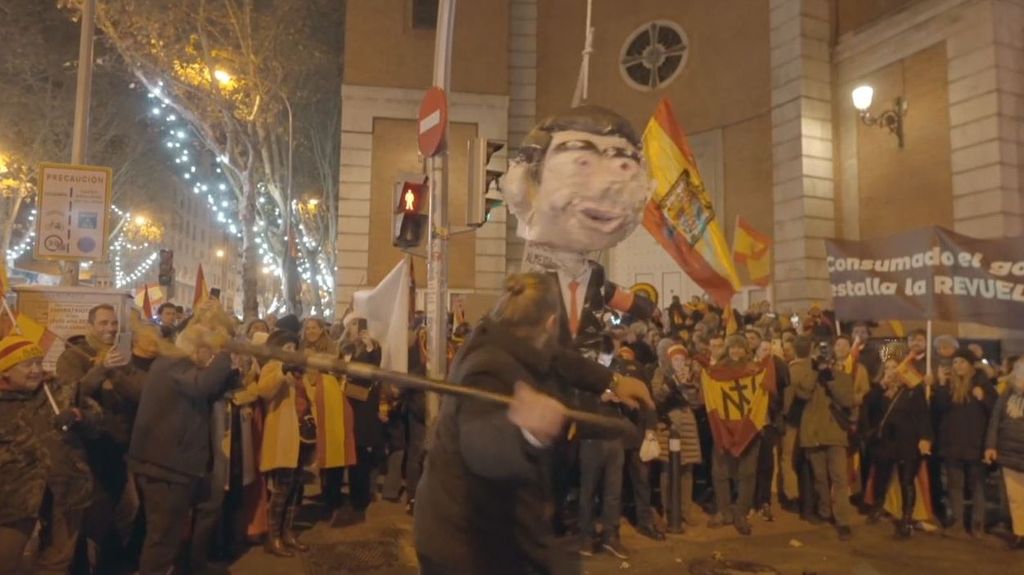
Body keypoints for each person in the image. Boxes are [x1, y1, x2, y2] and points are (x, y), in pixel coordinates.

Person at [415, 273, 578, 575]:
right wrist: (528, 432)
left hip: (467, 535)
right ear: (552, 323)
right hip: (465, 547)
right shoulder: (491, 367)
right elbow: (481, 445)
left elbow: (562, 361)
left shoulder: (494, 341)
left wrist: (611, 381)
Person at [128, 315, 237, 574]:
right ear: (197, 348)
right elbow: (202, 386)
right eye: (207, 353)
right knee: (162, 538)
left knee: (168, 534)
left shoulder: (173, 365)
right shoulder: (174, 364)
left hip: (171, 466)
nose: (208, 359)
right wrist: (224, 355)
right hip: (165, 466)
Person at [0, 335, 101, 575]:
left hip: (66, 487)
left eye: (38, 362)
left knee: (56, 560)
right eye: (27, 365)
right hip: (14, 494)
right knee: (5, 558)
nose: (36, 370)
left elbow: (96, 420)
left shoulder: (61, 389)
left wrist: (78, 415)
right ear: (6, 370)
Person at [862, 354, 933, 539]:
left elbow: (923, 415)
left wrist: (925, 438)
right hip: (885, 442)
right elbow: (867, 404)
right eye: (888, 367)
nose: (892, 371)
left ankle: (907, 518)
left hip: (907, 443)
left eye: (896, 367)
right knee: (882, 477)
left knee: (906, 481)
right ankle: (878, 506)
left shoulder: (913, 390)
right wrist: (882, 385)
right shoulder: (880, 390)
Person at [793, 336, 856, 540]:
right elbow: (802, 393)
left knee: (839, 478)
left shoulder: (842, 377)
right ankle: (825, 512)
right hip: (813, 433)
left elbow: (847, 400)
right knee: (820, 477)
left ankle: (842, 520)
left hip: (835, 433)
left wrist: (830, 379)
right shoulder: (808, 374)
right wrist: (814, 370)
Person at [704, 335, 766, 536]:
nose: (736, 351)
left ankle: (741, 513)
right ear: (727, 350)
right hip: (724, 427)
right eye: (733, 348)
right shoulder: (717, 372)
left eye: (740, 348)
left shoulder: (755, 370)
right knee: (720, 472)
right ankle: (724, 511)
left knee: (747, 473)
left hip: (748, 428)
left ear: (746, 350)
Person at [934, 348, 997, 537]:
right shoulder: (949, 386)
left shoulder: (983, 385)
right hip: (952, 445)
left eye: (962, 362)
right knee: (954, 486)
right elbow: (938, 409)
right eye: (954, 362)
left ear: (970, 365)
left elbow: (995, 413)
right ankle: (957, 522)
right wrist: (942, 384)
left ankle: (978, 524)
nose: (957, 366)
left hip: (975, 446)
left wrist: (983, 398)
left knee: (977, 486)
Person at [334, 328, 384, 527]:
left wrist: (371, 347)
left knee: (359, 456)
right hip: (341, 406)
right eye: (352, 326)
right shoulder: (343, 349)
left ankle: (359, 500)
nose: (355, 331)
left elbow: (372, 372)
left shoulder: (372, 351)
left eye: (359, 326)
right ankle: (335, 497)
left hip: (361, 410)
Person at [652, 344, 703, 528]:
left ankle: (685, 511)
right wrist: (673, 383)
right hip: (669, 422)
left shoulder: (692, 376)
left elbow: (698, 403)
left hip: (687, 422)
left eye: (682, 359)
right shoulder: (661, 374)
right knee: (667, 469)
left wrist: (690, 387)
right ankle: (668, 511)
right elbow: (657, 396)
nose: (679, 363)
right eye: (675, 359)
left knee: (686, 469)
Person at [985, 358, 1024, 550]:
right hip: (1009, 452)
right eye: (1019, 370)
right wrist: (991, 446)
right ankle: (1020, 533)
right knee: (1015, 497)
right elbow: (996, 418)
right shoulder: (1007, 391)